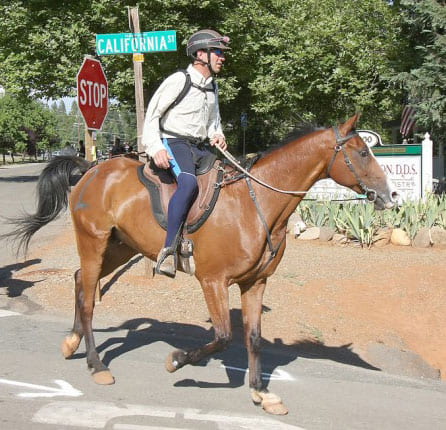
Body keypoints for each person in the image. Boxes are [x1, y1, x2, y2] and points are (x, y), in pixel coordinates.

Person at [142, 29, 230, 278]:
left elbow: (214, 121)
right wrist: (156, 147)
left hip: (201, 146)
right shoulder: (179, 80)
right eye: (219, 52)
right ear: (201, 54)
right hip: (175, 142)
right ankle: (169, 250)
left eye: (222, 53)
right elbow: (153, 115)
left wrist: (218, 134)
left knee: (226, 181)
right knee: (189, 183)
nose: (222, 58)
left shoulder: (213, 86)